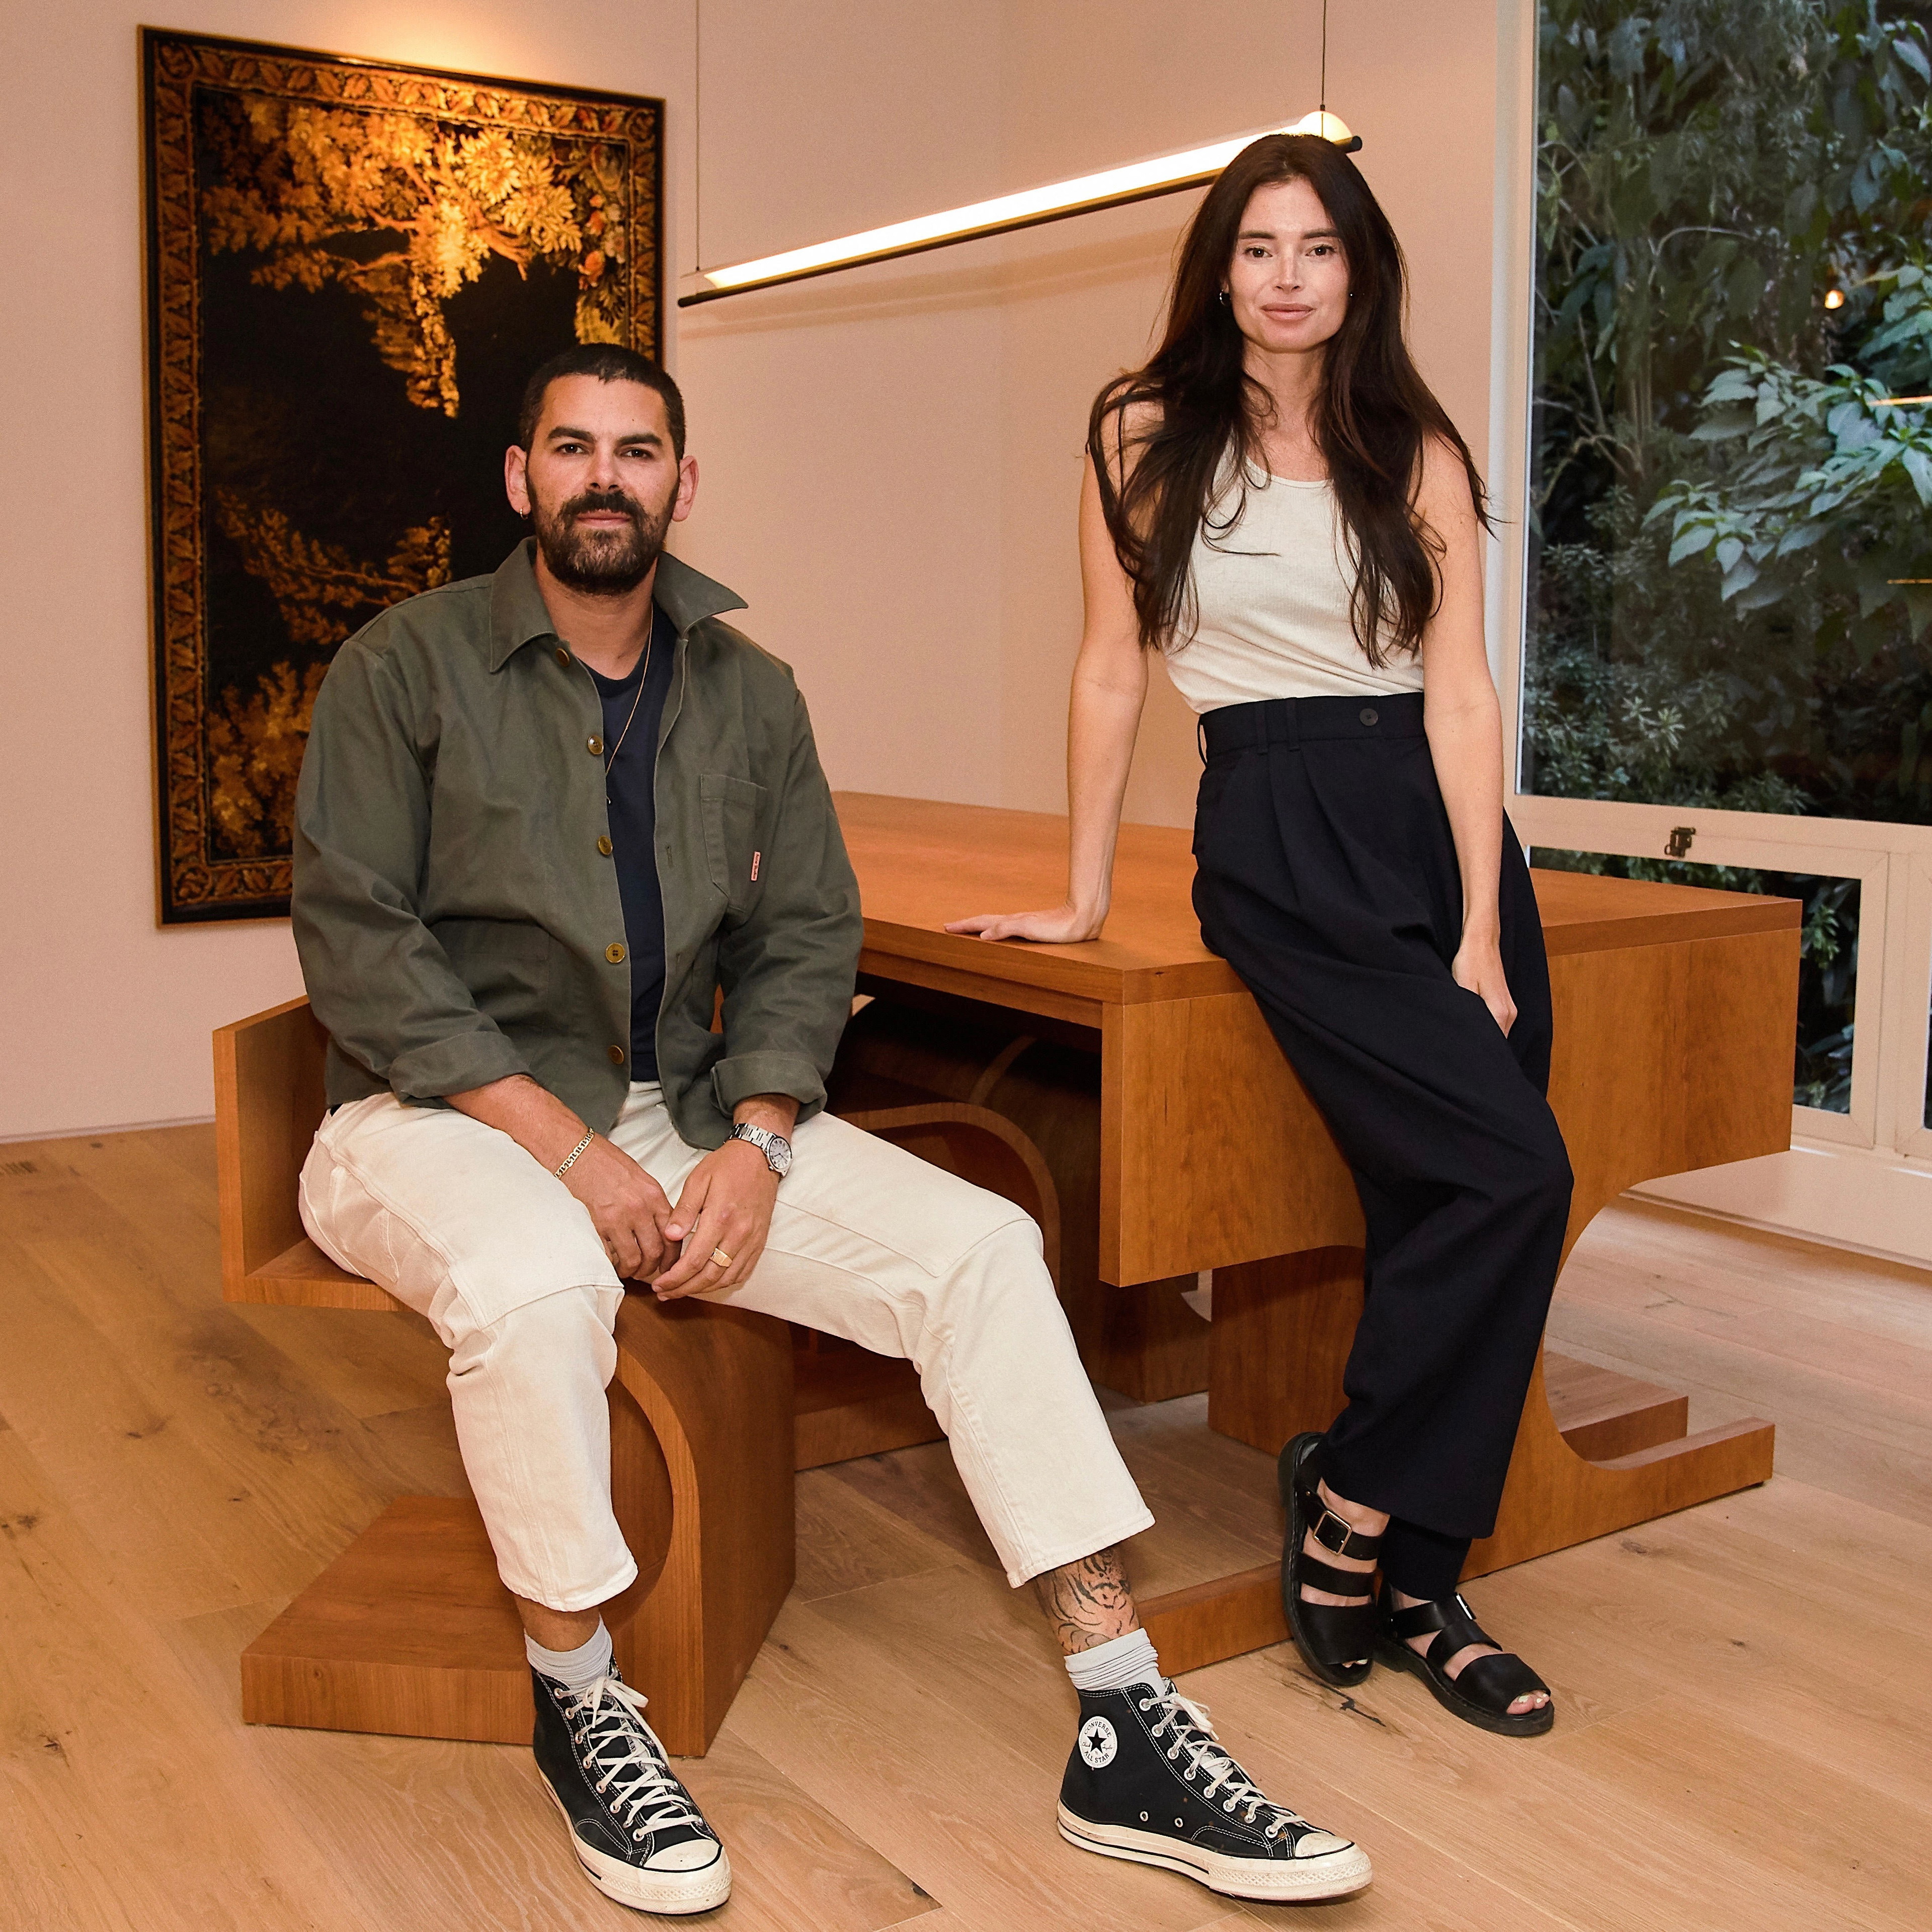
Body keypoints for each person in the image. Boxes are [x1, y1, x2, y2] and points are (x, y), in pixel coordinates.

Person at [291, 343, 1372, 1914]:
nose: (608, 476)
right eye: (575, 448)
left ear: (683, 482)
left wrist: (764, 1135)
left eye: (641, 450)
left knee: (985, 1248)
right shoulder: (405, 666)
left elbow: (807, 936)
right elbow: (361, 944)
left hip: (682, 1113)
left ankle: (1123, 1709)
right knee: (541, 1291)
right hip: (432, 1116)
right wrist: (579, 1157)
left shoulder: (751, 692)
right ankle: (580, 1695)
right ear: (520, 479)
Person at [948, 133, 1573, 1740]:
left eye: (1318, 249)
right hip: (1279, 827)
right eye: (1257, 248)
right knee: (1514, 1172)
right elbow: (1112, 669)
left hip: (1439, 839)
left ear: (1360, 273)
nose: (1287, 277)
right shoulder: (1143, 434)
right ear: (1218, 268)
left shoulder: (1410, 448)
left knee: (1458, 1193)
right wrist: (1084, 891)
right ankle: (1355, 1497)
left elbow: (1459, 686)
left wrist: (1487, 934)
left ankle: (1421, 1578)